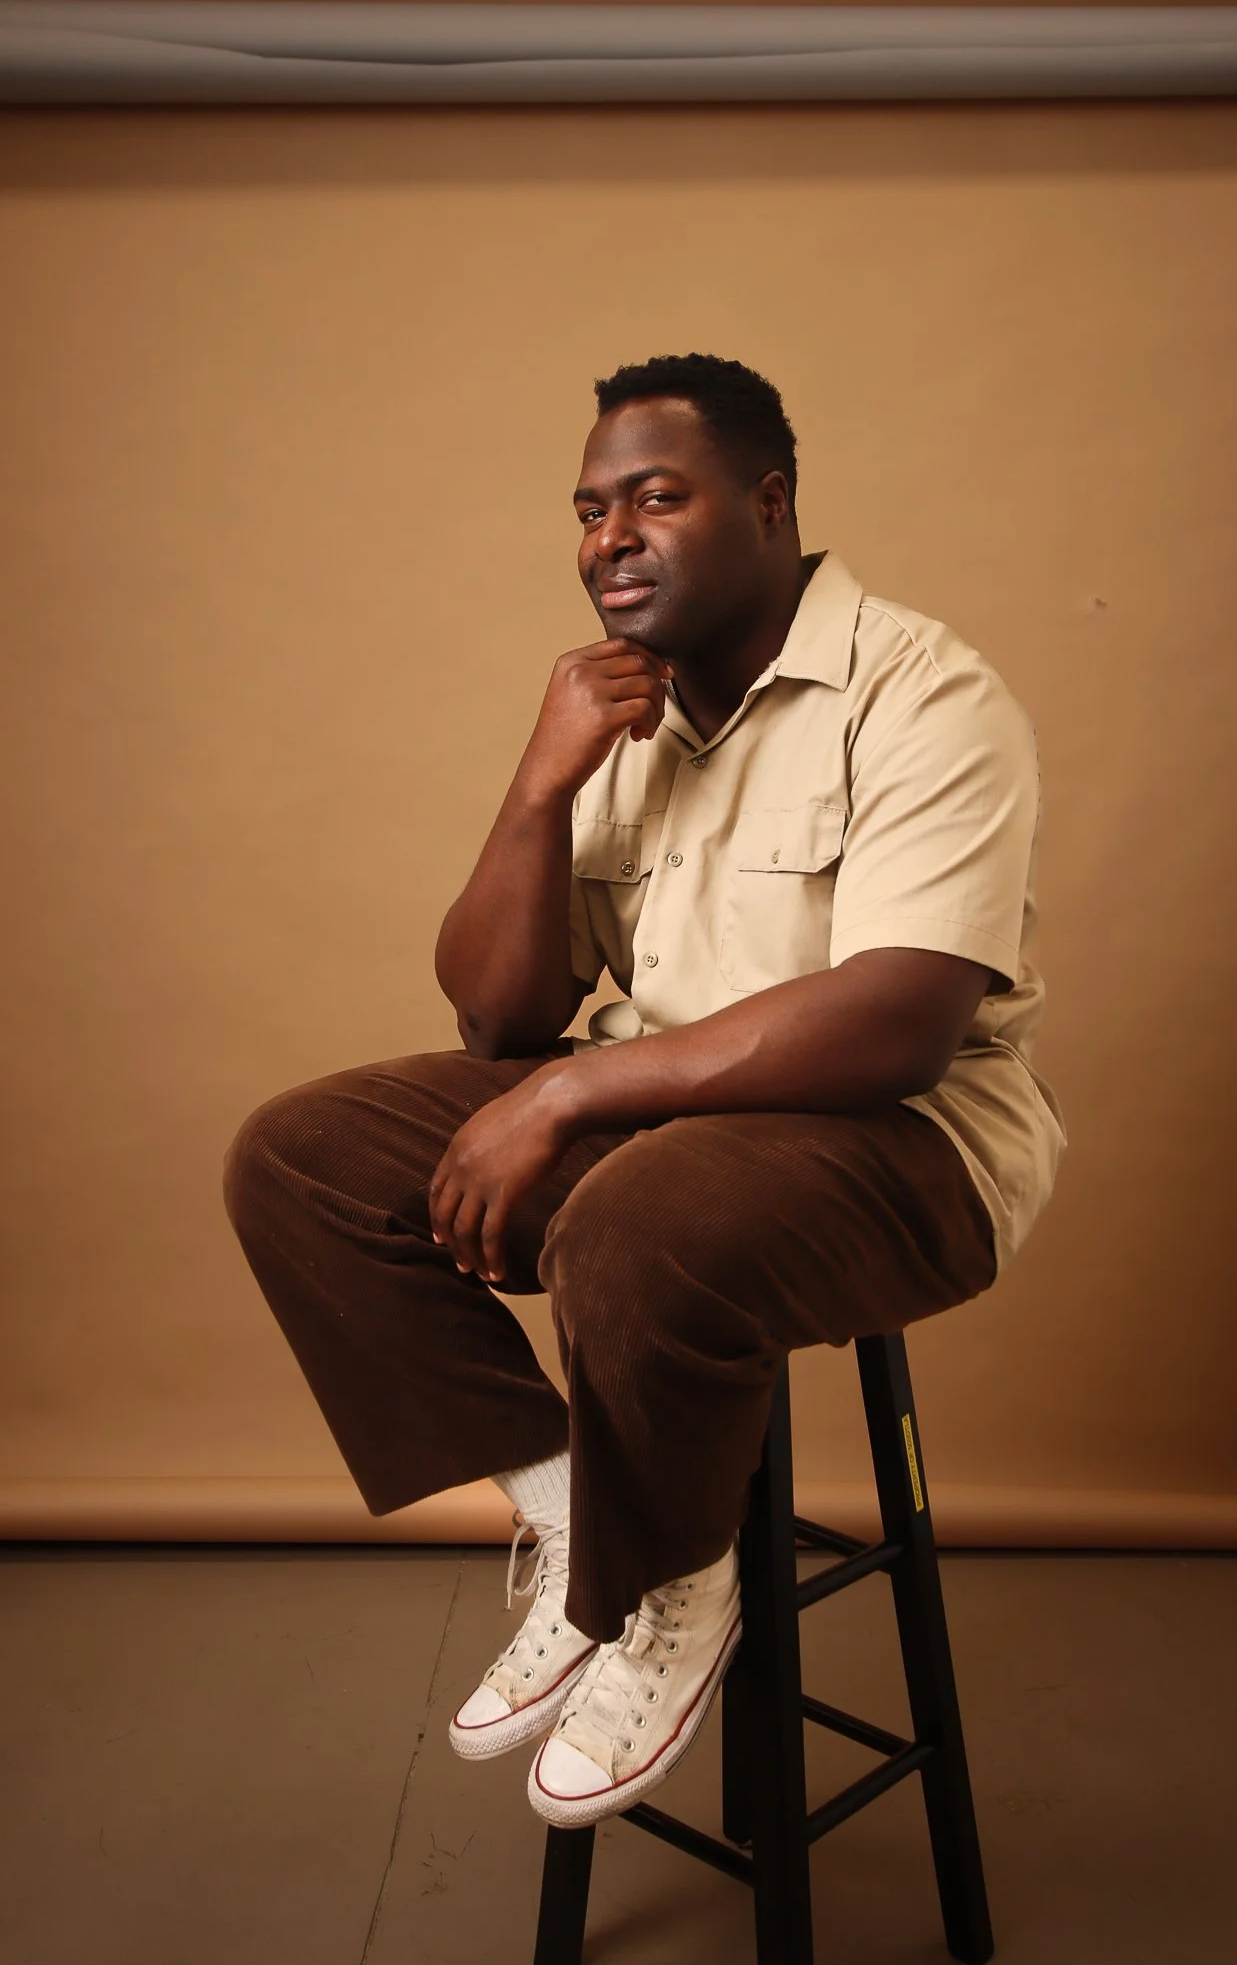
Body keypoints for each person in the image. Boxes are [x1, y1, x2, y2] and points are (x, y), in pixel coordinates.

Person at [223, 353, 1065, 1831]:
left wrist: (570, 1100)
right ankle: (580, 1523)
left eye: (654, 498)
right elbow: (496, 1015)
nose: (608, 537)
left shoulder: (924, 689)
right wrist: (539, 783)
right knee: (301, 1158)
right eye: (589, 507)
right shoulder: (630, 720)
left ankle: (667, 1585)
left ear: (771, 502)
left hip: (905, 1148)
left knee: (636, 1217)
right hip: (665, 1126)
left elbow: (896, 1026)